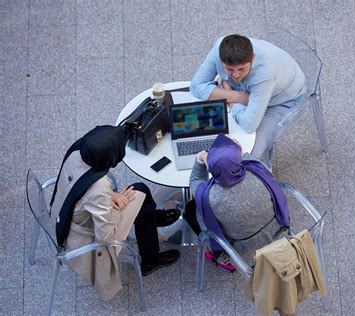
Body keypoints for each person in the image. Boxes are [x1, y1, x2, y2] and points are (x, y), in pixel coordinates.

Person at [50, 125, 180, 301]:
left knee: (141, 197)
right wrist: (115, 204)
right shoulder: (99, 190)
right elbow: (105, 237)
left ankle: (151, 219)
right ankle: (150, 259)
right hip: (86, 238)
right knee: (140, 192)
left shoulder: (77, 153)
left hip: (65, 216)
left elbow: (81, 185)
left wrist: (112, 196)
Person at [189, 34, 306, 159]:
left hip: (283, 101)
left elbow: (249, 125)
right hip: (247, 92)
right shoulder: (220, 47)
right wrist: (239, 97)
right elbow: (195, 86)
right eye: (229, 69)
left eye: (241, 69)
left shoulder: (264, 75)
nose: (235, 75)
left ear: (253, 58)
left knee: (246, 155)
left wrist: (231, 101)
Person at [185, 134, 290, 272]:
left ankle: (219, 255)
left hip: (239, 246)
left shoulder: (208, 196)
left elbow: (195, 179)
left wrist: (201, 158)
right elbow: (247, 159)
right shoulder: (258, 169)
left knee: (190, 209)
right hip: (276, 228)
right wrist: (235, 150)